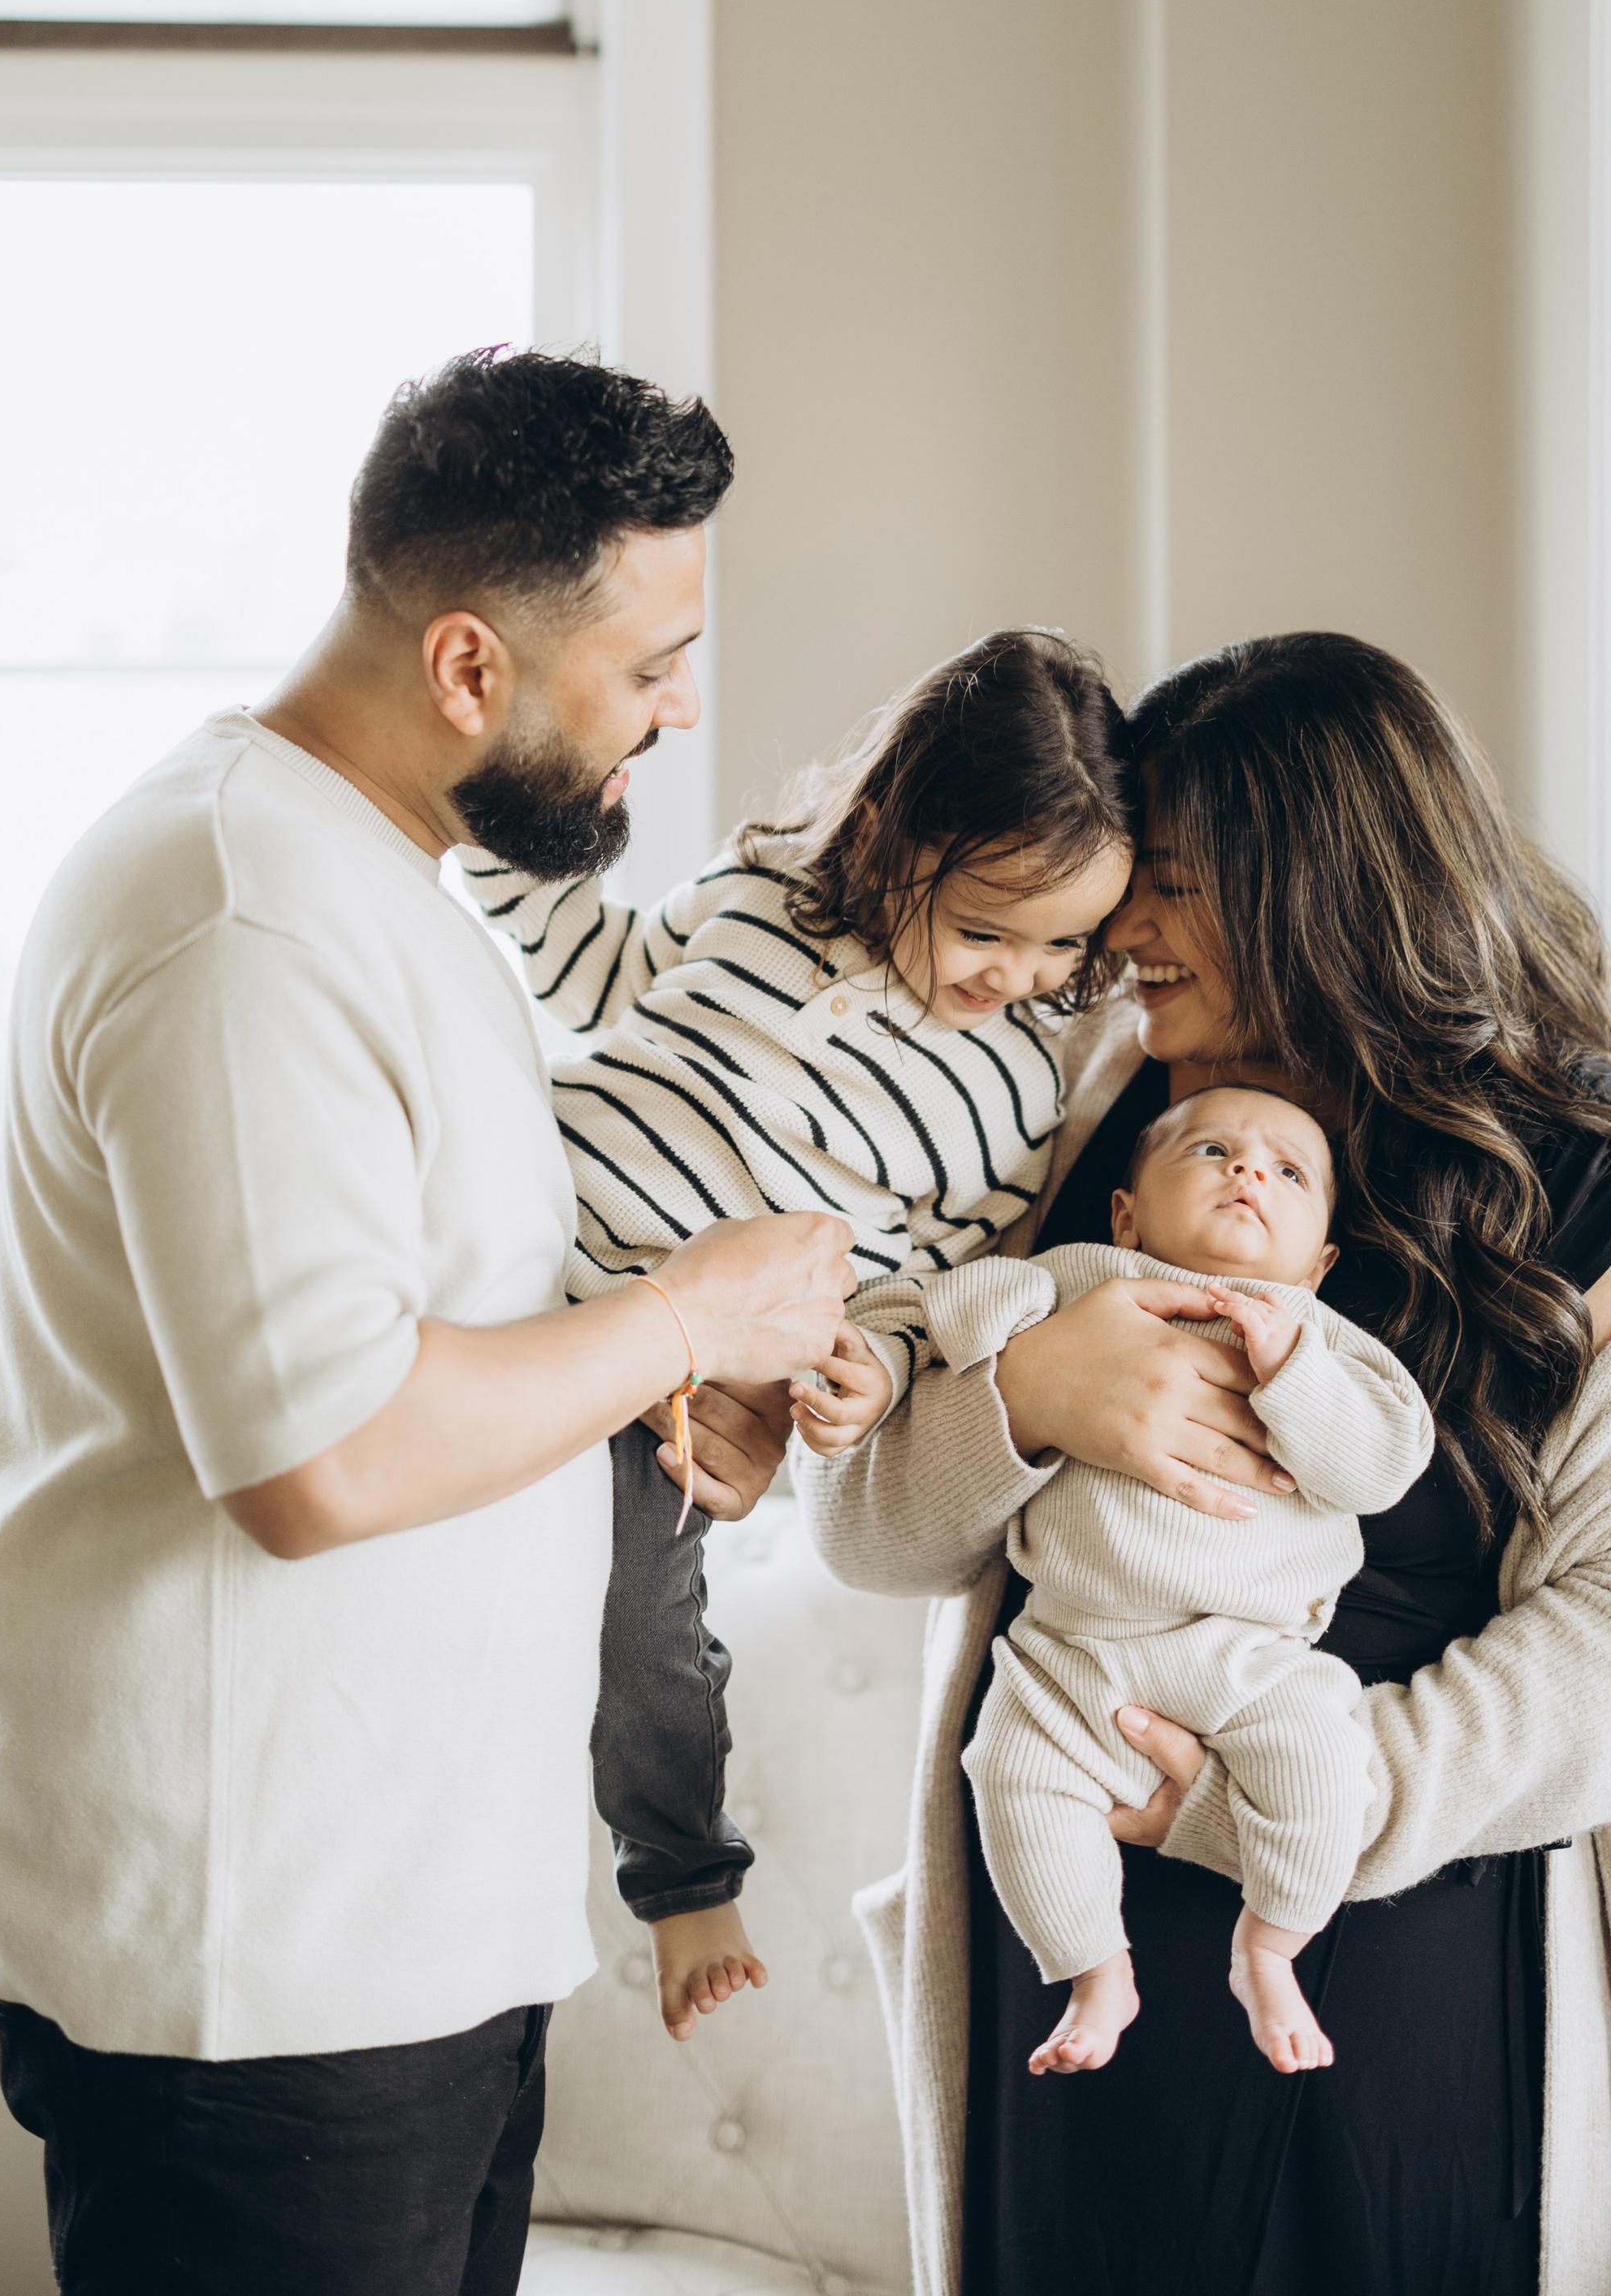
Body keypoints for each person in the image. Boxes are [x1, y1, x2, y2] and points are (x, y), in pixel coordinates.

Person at [0, 348, 855, 2296]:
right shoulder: (240, 911)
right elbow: (318, 1451)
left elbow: (450, 1347)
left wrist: (680, 1373)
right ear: (464, 666)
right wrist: (687, 1303)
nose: (680, 710)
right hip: (266, 1983)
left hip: (400, 1944)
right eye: (650, 661)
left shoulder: (379, 884)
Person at [798, 633, 1611, 2296]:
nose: (1119, 935)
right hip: (1062, 1956)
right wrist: (1024, 1394)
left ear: (1318, 894)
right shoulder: (1096, 1121)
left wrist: (1263, 1810)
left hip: (1394, 1971)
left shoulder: (1605, 1203)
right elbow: (866, 1534)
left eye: (1168, 886)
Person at [462, 629, 1136, 2040]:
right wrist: (489, 847)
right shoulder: (766, 890)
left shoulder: (1014, 1096)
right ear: (891, 843)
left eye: (1067, 945)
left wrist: (871, 1368)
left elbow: (922, 1289)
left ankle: (683, 1877)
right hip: (500, 1268)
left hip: (669, 1397)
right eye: (987, 927)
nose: (1019, 973)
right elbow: (609, 972)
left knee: (647, 1632)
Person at [818, 1081, 1431, 2078]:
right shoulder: (1076, 1278)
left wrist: (1294, 1377)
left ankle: (1269, 1949)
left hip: (1250, 1652)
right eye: (1211, 1152)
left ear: (1319, 1262)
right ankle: (1094, 1974)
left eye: (1287, 1172)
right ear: (1126, 1212)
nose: (1246, 1173)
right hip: (1070, 1646)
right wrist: (912, 1369)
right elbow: (937, 1312)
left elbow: (1382, 1466)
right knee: (1010, 1775)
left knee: (1324, 1771)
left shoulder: (1322, 1342)